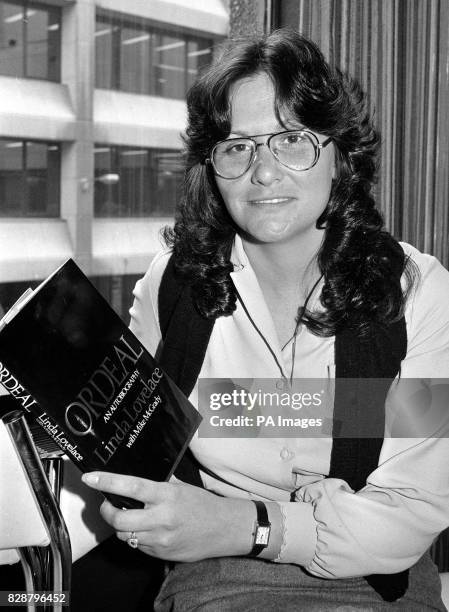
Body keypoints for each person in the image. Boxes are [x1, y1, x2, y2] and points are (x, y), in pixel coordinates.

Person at [82, 29, 449, 610]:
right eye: (237, 146)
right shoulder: (173, 287)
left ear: (341, 154)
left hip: (375, 585)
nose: (264, 172)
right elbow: (136, 444)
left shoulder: (417, 291)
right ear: (212, 164)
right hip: (214, 578)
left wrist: (243, 525)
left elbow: (409, 510)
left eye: (293, 139)